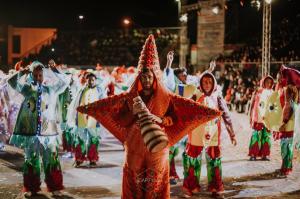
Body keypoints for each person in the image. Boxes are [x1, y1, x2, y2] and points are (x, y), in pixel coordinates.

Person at [77, 35, 220, 199]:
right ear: (139, 78)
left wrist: (159, 119)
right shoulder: (128, 98)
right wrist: (129, 113)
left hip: (157, 145)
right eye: (143, 76)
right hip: (134, 146)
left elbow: (174, 117)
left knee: (155, 181)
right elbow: (118, 116)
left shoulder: (166, 97)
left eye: (149, 76)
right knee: (135, 180)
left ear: (154, 78)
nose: (145, 80)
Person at [8, 61, 70, 197]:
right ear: (31, 75)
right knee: (31, 160)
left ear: (43, 75)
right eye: (35, 75)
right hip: (31, 132)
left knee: (52, 160)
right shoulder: (27, 89)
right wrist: (21, 73)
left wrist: (55, 71)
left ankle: (54, 187)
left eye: (40, 75)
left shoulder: (51, 89)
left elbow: (65, 82)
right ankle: (31, 188)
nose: (37, 78)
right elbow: (12, 83)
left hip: (48, 133)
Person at [182, 71, 237, 198]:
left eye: (210, 82)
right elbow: (185, 109)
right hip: (196, 133)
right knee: (193, 160)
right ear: (201, 83)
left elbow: (226, 116)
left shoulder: (217, 96)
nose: (207, 84)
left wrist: (232, 134)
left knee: (214, 161)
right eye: (205, 82)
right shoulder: (195, 94)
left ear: (213, 83)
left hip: (213, 134)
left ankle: (215, 187)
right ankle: (191, 186)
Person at [71, 72, 106, 167]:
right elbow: (75, 103)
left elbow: (103, 104)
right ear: (86, 80)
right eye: (89, 79)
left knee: (93, 139)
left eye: (92, 80)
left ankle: (92, 158)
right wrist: (74, 116)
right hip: (81, 117)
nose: (90, 81)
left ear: (95, 80)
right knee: (80, 139)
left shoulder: (99, 90)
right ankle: (79, 159)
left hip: (94, 119)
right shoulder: (81, 90)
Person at [248, 76, 274, 161]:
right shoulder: (258, 91)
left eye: (270, 82)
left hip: (268, 119)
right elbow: (252, 103)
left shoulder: (272, 93)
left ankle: (265, 155)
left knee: (266, 136)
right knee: (256, 136)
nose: (269, 84)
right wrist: (250, 115)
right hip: (258, 117)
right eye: (267, 82)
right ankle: (253, 154)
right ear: (263, 82)